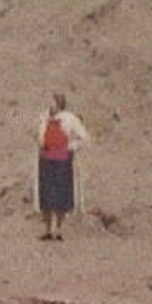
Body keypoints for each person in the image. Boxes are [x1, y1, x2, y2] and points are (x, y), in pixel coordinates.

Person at [36, 92, 90, 240]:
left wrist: (70, 147)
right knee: (46, 196)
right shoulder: (44, 118)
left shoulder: (70, 119)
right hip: (46, 160)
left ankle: (58, 229)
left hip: (62, 161)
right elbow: (39, 137)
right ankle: (47, 229)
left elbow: (84, 137)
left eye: (52, 102)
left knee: (60, 197)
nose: (50, 105)